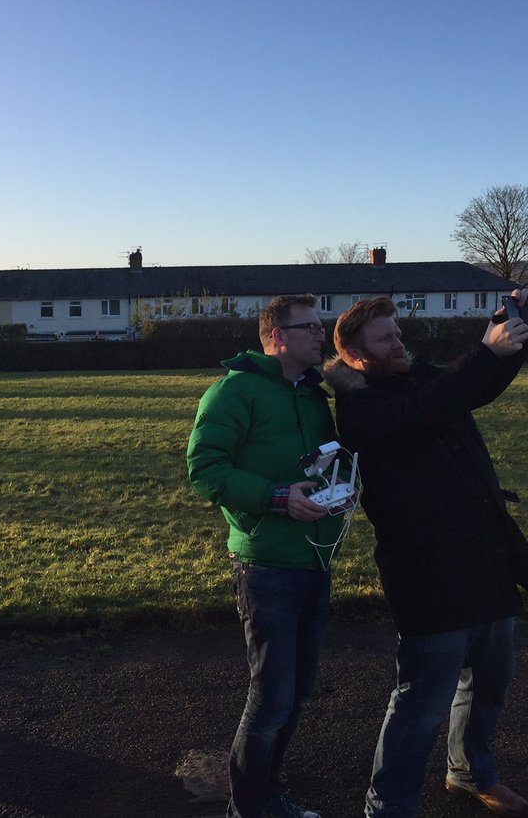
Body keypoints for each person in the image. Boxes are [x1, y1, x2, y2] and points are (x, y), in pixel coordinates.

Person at [322, 291, 528, 818]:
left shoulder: (420, 379)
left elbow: (474, 386)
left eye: (398, 333)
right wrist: (484, 352)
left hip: (486, 559)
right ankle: (389, 805)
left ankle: (470, 774)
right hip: (428, 573)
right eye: (384, 337)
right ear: (355, 354)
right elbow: (430, 408)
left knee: (489, 684)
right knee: (421, 703)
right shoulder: (361, 408)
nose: (398, 342)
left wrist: (510, 325)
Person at [187, 294, 343, 818]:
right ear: (277, 337)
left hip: (314, 559)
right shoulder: (233, 392)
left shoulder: (313, 395)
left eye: (322, 326)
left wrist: (341, 488)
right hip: (266, 564)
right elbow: (205, 468)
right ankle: (248, 809)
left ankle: (267, 796)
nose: (321, 335)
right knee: (273, 697)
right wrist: (278, 497)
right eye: (310, 328)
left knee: (297, 695)